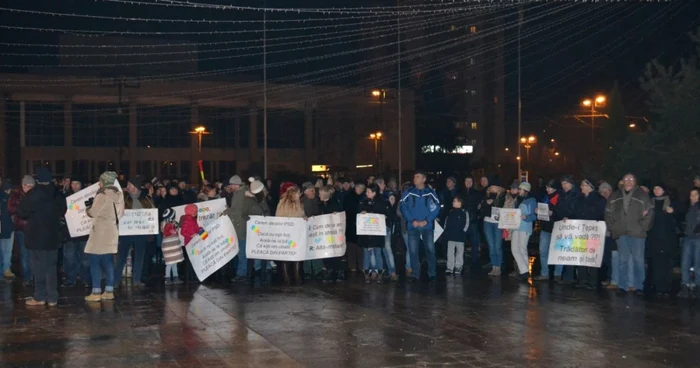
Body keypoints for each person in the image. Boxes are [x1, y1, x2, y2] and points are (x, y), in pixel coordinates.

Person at [17, 168, 67, 306]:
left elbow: (21, 212)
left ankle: (39, 296)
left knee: (38, 268)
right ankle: (52, 297)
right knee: (51, 267)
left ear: (38, 180)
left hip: (36, 237)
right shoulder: (57, 194)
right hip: (53, 237)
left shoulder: (33, 194)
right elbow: (63, 210)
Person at [605, 173, 653, 296]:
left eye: (631, 179)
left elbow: (650, 212)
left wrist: (643, 227)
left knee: (638, 260)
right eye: (626, 179)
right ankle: (623, 285)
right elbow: (608, 213)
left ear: (635, 182)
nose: (628, 181)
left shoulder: (642, 195)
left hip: (637, 233)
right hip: (621, 232)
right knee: (623, 260)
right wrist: (613, 227)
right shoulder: (615, 196)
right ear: (622, 181)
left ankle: (638, 286)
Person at [84, 171, 124, 302]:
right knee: (108, 261)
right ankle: (109, 290)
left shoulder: (102, 194)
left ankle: (96, 292)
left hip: (100, 232)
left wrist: (87, 208)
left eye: (100, 181)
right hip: (111, 231)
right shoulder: (119, 195)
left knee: (94, 261)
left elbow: (93, 212)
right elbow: (121, 213)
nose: (98, 183)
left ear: (104, 182)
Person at [114, 175, 155, 288]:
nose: (127, 187)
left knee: (139, 256)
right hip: (126, 232)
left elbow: (152, 213)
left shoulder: (146, 198)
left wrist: (151, 232)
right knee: (121, 256)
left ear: (135, 187)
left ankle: (137, 279)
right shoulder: (124, 198)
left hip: (141, 233)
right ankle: (116, 280)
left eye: (129, 185)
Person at [400, 170, 440, 282]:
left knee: (430, 250)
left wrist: (427, 221)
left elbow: (436, 207)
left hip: (427, 226)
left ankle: (432, 273)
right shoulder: (408, 192)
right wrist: (412, 220)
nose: (415, 179)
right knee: (413, 251)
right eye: (414, 177)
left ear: (424, 179)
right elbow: (403, 207)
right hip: (412, 226)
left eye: (417, 177)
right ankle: (415, 274)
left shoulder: (430, 192)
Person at [572, 179, 607, 289]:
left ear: (590, 187)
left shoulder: (599, 199)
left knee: (592, 256)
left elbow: (600, 213)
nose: (581, 187)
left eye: (583, 185)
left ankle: (593, 281)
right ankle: (582, 279)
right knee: (582, 254)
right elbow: (575, 212)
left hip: (593, 230)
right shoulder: (579, 199)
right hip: (581, 230)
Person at [646, 183, 678, 297]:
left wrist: (673, 212)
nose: (656, 190)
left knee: (666, 263)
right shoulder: (650, 203)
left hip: (667, 238)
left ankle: (666, 287)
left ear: (663, 190)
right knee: (656, 263)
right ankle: (658, 287)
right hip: (654, 238)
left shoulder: (671, 202)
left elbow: (678, 218)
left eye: (658, 188)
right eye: (654, 188)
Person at [61, 177, 90, 288]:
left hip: (83, 233)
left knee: (85, 259)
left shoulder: (86, 196)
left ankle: (85, 278)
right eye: (73, 183)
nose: (75, 186)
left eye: (77, 183)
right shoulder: (66, 196)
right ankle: (70, 279)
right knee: (70, 258)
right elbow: (64, 209)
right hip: (70, 234)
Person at [358, 183, 389, 284]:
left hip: (377, 233)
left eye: (368, 192)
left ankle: (379, 273)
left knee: (378, 253)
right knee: (366, 253)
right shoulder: (364, 201)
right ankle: (367, 273)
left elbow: (386, 213)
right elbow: (358, 211)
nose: (366, 193)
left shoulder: (381, 202)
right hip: (367, 233)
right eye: (366, 191)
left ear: (374, 193)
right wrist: (362, 212)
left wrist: (384, 217)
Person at [276, 184, 305, 285]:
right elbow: (279, 216)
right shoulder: (283, 203)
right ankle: (287, 277)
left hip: (297, 232)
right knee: (286, 255)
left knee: (297, 254)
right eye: (298, 193)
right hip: (286, 232)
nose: (299, 195)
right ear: (293, 193)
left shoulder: (299, 203)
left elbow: (301, 214)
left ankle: (297, 276)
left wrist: (304, 218)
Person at [8, 176, 34, 286]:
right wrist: (22, 207)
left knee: (34, 254)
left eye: (29, 186)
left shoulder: (36, 195)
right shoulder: (15, 195)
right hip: (21, 228)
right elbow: (10, 208)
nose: (27, 188)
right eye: (25, 185)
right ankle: (27, 277)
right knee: (24, 254)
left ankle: (34, 276)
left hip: (34, 229)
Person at [554, 175, 580, 284]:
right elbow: (558, 208)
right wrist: (561, 216)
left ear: (571, 183)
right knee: (562, 249)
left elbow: (577, 209)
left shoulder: (577, 195)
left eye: (566, 183)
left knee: (570, 251)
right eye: (562, 184)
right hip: (562, 225)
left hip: (573, 226)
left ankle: (569, 276)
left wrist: (569, 216)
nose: (564, 186)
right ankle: (560, 274)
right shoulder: (561, 195)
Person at [316, 185, 344, 282]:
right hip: (324, 232)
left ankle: (338, 270)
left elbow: (340, 215)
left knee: (335, 251)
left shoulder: (335, 203)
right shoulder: (320, 204)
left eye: (320, 193)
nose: (318, 195)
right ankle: (329, 270)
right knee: (326, 251)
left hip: (333, 232)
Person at [510, 182, 537, 281]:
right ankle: (524, 270)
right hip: (516, 227)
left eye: (521, 189)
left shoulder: (531, 201)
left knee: (522, 248)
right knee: (514, 249)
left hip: (525, 227)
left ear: (526, 191)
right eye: (519, 189)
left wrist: (526, 217)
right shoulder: (517, 199)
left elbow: (534, 216)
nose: (519, 191)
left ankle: (525, 272)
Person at [534, 180, 559, 281]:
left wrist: (553, 213)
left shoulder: (559, 198)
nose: (547, 189)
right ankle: (544, 273)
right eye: (546, 187)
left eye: (549, 187)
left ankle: (557, 274)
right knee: (543, 251)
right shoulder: (545, 198)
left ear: (554, 188)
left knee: (557, 252)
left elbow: (561, 211)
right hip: (545, 228)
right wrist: (537, 211)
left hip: (556, 228)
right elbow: (542, 209)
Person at [480, 180, 505, 276]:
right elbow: (482, 209)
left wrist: (494, 201)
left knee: (497, 246)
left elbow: (503, 208)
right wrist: (486, 203)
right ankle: (493, 266)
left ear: (499, 187)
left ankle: (498, 267)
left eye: (494, 186)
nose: (492, 188)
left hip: (498, 222)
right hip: (487, 222)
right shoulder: (486, 196)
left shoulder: (503, 197)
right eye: (491, 187)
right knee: (491, 246)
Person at [679, 188, 700, 298]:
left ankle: (698, 286)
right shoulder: (687, 207)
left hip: (698, 238)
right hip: (687, 237)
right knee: (685, 262)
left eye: (696, 194)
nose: (693, 197)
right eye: (691, 195)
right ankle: (685, 284)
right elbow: (681, 220)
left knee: (698, 263)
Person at [460, 176, 483, 268]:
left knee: (474, 241)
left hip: (473, 220)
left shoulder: (477, 193)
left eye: (470, 181)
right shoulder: (460, 193)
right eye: (467, 180)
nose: (468, 182)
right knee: (461, 241)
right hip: (462, 220)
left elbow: (481, 205)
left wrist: (478, 214)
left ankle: (474, 260)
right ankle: (461, 260)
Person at [444, 196, 469, 275]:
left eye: (455, 201)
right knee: (450, 252)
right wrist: (446, 230)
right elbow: (446, 221)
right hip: (451, 235)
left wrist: (464, 231)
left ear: (460, 203)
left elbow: (467, 223)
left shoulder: (464, 212)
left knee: (459, 252)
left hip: (460, 236)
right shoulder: (451, 211)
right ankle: (450, 267)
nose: (453, 202)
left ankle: (458, 266)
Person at [344, 182, 365, 274]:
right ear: (355, 187)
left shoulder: (363, 197)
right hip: (351, 223)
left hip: (361, 224)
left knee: (360, 245)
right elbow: (347, 210)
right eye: (359, 187)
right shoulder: (349, 197)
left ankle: (361, 265)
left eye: (362, 188)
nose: (360, 190)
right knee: (351, 245)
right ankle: (352, 265)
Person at [160, 208, 184, 285]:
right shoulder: (172, 223)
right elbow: (176, 229)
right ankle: (168, 278)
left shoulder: (163, 223)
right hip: (172, 245)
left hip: (167, 246)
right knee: (171, 263)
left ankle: (175, 277)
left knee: (172, 262)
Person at [0, 181, 15, 279]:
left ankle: (3, 270)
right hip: (8, 227)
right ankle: (6, 269)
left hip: (3, 226)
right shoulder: (10, 198)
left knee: (3, 250)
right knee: (7, 250)